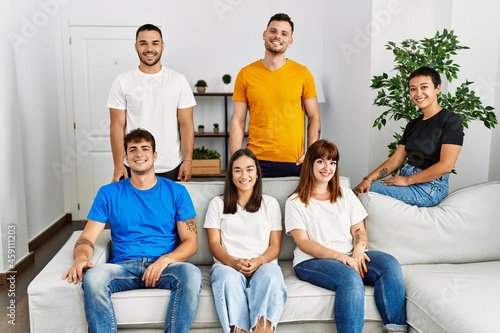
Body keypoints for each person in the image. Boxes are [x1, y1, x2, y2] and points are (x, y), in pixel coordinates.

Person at [63, 128, 202, 333]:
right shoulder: (108, 193)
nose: (139, 154)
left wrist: (164, 260)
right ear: (125, 158)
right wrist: (80, 258)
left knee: (191, 274)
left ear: (155, 155)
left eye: (145, 148)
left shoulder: (176, 191)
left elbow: (191, 242)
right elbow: (86, 238)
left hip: (165, 267)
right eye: (133, 149)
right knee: (93, 279)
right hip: (123, 267)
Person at [285, 139, 407, 333]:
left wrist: (358, 252)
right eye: (321, 162)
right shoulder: (295, 202)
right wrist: (341, 257)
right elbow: (303, 242)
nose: (328, 168)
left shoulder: (345, 194)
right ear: (310, 164)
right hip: (311, 261)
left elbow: (359, 230)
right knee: (350, 278)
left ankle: (395, 330)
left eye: (332, 162)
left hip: (350, 255)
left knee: (389, 264)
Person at [204, 149, 287, 333]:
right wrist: (233, 262)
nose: (244, 175)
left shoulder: (270, 204)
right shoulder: (217, 204)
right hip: (227, 265)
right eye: (238, 170)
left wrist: (259, 261)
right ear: (231, 176)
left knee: (271, 278)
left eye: (249, 169)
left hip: (263, 263)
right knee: (227, 281)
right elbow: (214, 244)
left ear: (257, 174)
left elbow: (275, 246)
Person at [354, 66, 464, 207]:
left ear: (437, 88)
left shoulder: (450, 120)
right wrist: (368, 179)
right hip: (407, 180)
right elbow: (395, 160)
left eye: (424, 87)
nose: (418, 93)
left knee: (362, 195)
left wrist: (408, 180)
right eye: (413, 89)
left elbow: (446, 166)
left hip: (430, 188)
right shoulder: (413, 124)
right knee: (359, 190)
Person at [230, 13, 321, 177]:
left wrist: (311, 154)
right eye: (273, 31)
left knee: (292, 204)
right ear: (264, 34)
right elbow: (237, 120)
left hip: (295, 161)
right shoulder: (246, 74)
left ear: (290, 41)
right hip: (255, 161)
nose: (277, 36)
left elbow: (314, 116)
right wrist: (236, 159)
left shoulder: (303, 74)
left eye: (284, 34)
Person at [108, 23, 196, 183]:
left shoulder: (178, 80)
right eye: (143, 43)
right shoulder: (122, 81)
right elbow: (116, 126)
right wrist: (117, 164)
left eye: (155, 43)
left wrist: (188, 160)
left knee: (168, 208)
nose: (149, 48)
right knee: (132, 208)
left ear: (162, 46)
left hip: (171, 165)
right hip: (134, 163)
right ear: (136, 47)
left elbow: (186, 124)